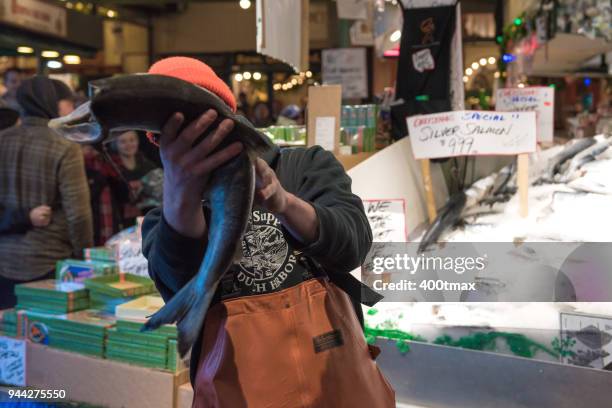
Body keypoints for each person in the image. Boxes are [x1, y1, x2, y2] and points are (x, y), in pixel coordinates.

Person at [142, 57, 394, 407]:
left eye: (205, 122)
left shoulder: (306, 166)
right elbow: (180, 287)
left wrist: (285, 203)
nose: (196, 138)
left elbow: (353, 247)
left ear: (230, 115)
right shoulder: (166, 220)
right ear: (159, 145)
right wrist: (181, 195)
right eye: (174, 135)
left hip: (337, 386)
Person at [0, 76, 93, 309]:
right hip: (49, 260)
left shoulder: (2, 140)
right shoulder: (65, 146)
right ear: (51, 102)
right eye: (66, 102)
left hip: (4, 259)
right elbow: (78, 214)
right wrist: (85, 257)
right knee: (42, 334)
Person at [112, 130, 159, 227]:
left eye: (132, 140)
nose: (128, 144)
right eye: (123, 142)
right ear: (115, 144)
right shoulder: (112, 167)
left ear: (137, 141)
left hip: (148, 217)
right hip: (121, 220)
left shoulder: (145, 162)